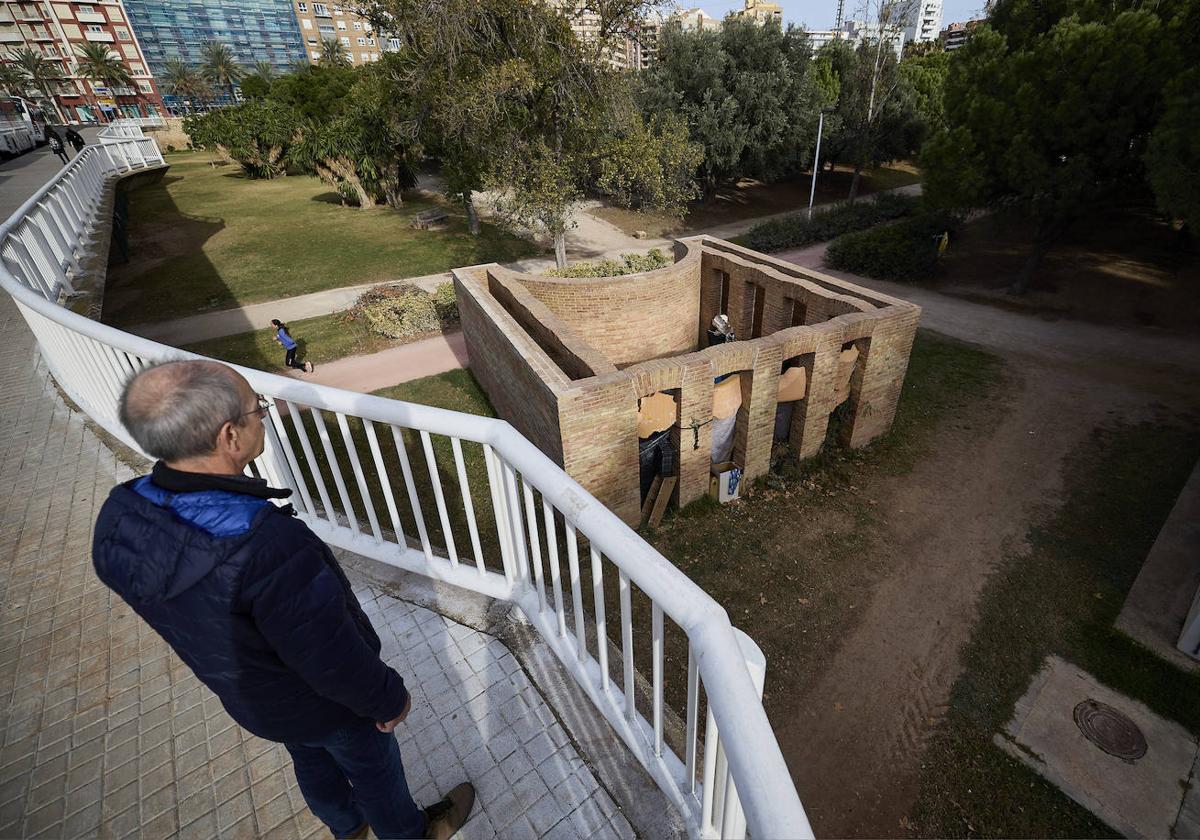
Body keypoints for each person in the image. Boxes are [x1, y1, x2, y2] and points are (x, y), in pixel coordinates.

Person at [92, 361, 475, 839]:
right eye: (259, 410)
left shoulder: (121, 515)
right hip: (326, 703)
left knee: (311, 760)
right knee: (374, 771)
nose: (264, 417)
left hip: (257, 701)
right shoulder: (264, 545)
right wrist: (386, 697)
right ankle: (411, 834)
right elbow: (328, 655)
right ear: (231, 436)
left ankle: (347, 828)